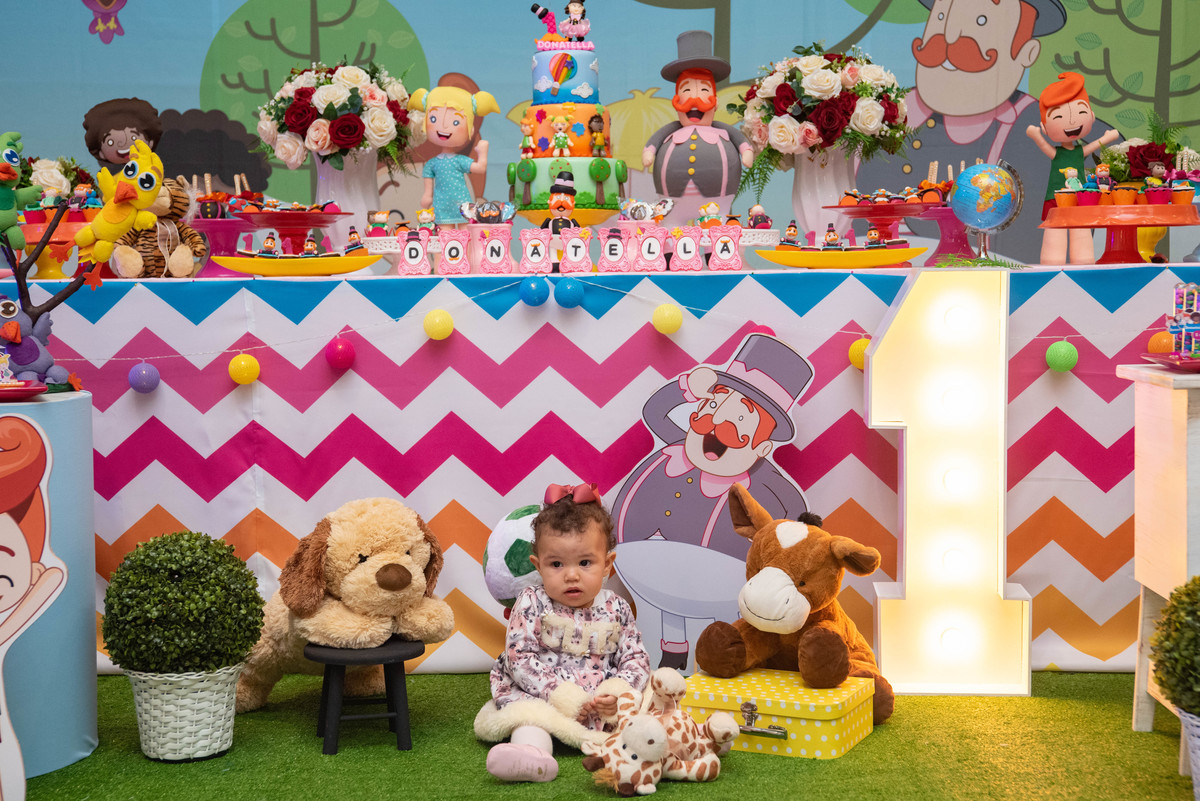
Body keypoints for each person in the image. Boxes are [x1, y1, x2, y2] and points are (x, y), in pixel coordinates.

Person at [609, 333, 812, 671]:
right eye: (713, 407)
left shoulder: (763, 483)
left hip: (717, 571)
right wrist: (686, 388)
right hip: (643, 557)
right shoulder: (678, 446)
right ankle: (672, 651)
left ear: (763, 448)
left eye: (740, 421)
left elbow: (792, 509)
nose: (717, 426)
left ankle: (721, 653)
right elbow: (654, 411)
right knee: (664, 608)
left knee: (720, 612)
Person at [855, 0, 1084, 264]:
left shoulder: (1041, 125)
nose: (950, 39)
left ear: (1027, 53)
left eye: (981, 21)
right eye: (941, 18)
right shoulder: (878, 113)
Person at [479, 483, 650, 783]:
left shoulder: (616, 608)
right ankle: (532, 755)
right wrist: (558, 693)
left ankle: (632, 754)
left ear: (607, 564)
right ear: (538, 566)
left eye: (585, 563)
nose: (571, 575)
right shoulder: (532, 602)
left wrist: (616, 692)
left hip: (599, 702)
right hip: (543, 693)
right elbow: (519, 658)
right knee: (530, 719)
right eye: (556, 564)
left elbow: (635, 658)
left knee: (643, 713)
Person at [642, 30, 753, 229]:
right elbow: (653, 143)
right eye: (686, 90)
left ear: (715, 101)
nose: (695, 98)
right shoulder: (670, 131)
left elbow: (741, 142)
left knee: (716, 228)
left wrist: (746, 151)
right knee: (673, 228)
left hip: (717, 197)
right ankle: (672, 238)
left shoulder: (722, 131)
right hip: (672, 198)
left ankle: (715, 240)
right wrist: (649, 151)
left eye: (704, 90)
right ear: (676, 100)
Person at [1025, 71, 1118, 264]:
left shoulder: (1079, 152)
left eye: (1081, 113)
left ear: (1091, 116)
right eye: (1058, 116)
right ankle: (1052, 261)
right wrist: (1036, 136)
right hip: (1056, 196)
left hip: (1080, 197)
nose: (1073, 122)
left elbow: (1094, 145)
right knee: (1055, 228)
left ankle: (1083, 260)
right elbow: (1044, 146)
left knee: (1081, 228)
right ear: (1045, 127)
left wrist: (1107, 138)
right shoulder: (1057, 153)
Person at [408, 85, 500, 227]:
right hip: (441, 206)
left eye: (456, 122)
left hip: (463, 206)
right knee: (445, 235)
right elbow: (427, 191)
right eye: (433, 119)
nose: (444, 127)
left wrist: (482, 153)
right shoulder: (432, 164)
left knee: (465, 234)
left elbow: (480, 168)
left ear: (470, 129)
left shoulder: (459, 161)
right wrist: (427, 196)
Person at [82, 97, 162, 173]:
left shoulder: (152, 170)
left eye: (133, 137)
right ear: (101, 153)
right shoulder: (111, 177)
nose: (122, 144)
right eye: (110, 142)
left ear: (150, 143)